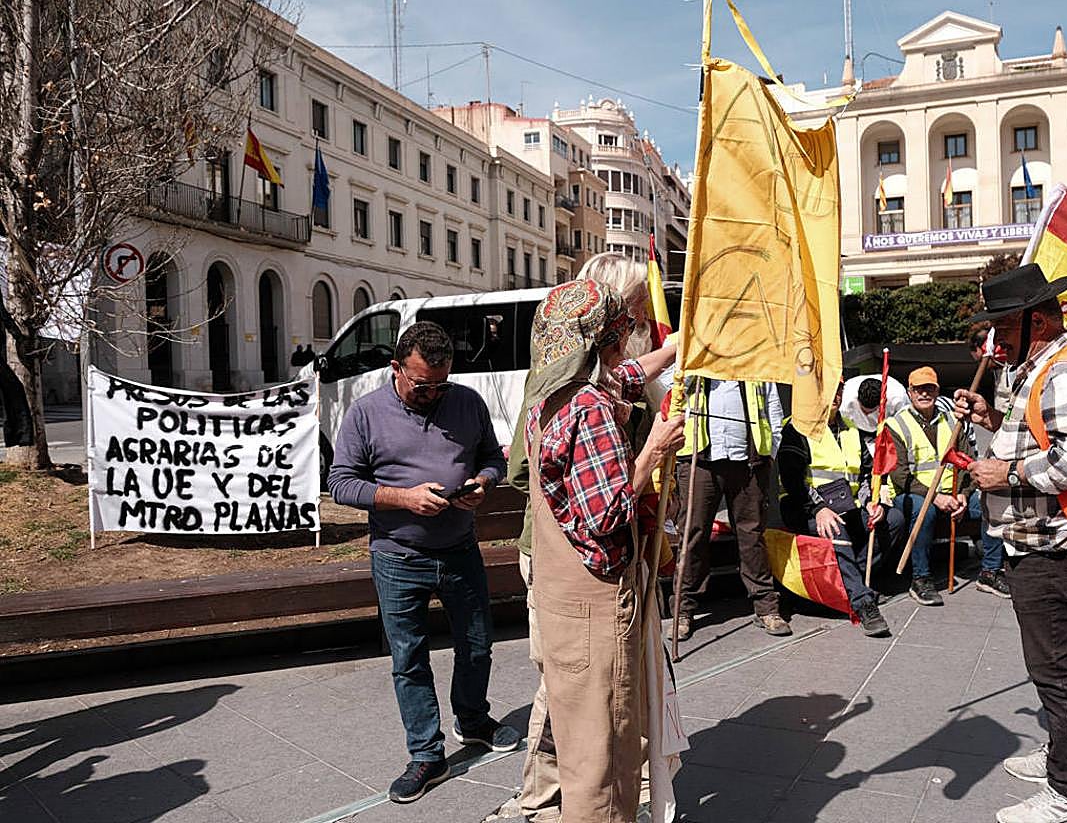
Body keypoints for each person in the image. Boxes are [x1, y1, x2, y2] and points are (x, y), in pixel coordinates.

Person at [956, 266, 1067, 823]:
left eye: (1004, 325)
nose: (995, 338)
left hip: (1055, 548)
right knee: (1053, 664)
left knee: (1058, 670)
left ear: (1039, 320)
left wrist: (1004, 472)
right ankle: (1063, 753)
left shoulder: (1064, 374)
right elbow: (1043, 435)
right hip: (1040, 541)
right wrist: (989, 417)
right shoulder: (1040, 370)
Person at [328, 320, 517, 804]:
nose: (432, 392)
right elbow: (342, 483)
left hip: (459, 550)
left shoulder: (467, 402)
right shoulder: (366, 413)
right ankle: (426, 754)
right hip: (398, 556)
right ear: (396, 368)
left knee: (477, 646)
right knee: (409, 659)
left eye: (440, 383)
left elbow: (493, 458)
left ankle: (472, 720)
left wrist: (483, 483)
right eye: (421, 384)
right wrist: (401, 498)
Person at [506, 254, 661, 823]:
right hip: (596, 602)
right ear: (608, 340)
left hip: (558, 595)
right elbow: (609, 513)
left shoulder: (547, 399)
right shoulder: (592, 409)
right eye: (625, 331)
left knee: (573, 735)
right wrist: (653, 450)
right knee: (604, 753)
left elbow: (623, 377)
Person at [777, 383, 903, 637]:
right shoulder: (796, 428)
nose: (832, 396)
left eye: (837, 390)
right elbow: (792, 480)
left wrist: (871, 500)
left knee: (895, 520)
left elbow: (866, 473)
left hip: (849, 505)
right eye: (825, 389)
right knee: (837, 532)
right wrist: (818, 509)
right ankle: (863, 603)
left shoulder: (851, 428)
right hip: (807, 507)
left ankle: (844, 585)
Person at [673, 376, 787, 640]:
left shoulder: (755, 361)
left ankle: (766, 607)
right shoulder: (691, 355)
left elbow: (773, 407)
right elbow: (669, 392)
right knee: (692, 534)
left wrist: (769, 454)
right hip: (699, 462)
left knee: (752, 535)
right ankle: (683, 610)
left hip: (749, 462)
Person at [885, 366, 1008, 605]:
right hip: (911, 494)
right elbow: (899, 475)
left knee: (991, 500)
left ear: (937, 390)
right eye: (918, 389)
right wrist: (935, 498)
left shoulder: (953, 421)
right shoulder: (896, 425)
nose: (924, 394)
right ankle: (921, 579)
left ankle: (990, 572)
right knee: (925, 511)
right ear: (910, 392)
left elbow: (967, 461)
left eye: (929, 388)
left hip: (952, 492)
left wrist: (964, 494)